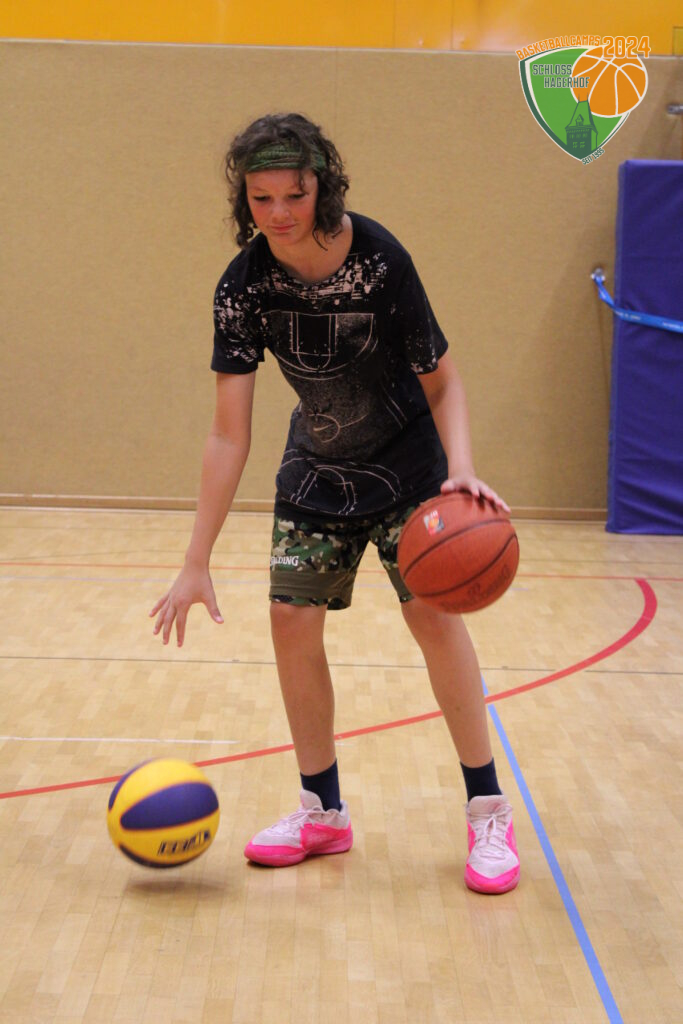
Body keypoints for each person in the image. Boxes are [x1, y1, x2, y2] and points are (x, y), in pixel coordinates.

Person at [150, 112, 520, 894]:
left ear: (322, 187)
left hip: (409, 471)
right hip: (315, 472)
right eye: (261, 198)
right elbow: (227, 433)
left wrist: (460, 470)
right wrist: (194, 559)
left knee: (433, 621)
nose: (279, 212)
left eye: (294, 194)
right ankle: (322, 813)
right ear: (243, 200)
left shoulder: (380, 260)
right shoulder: (243, 287)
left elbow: (443, 381)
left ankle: (487, 809)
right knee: (290, 624)